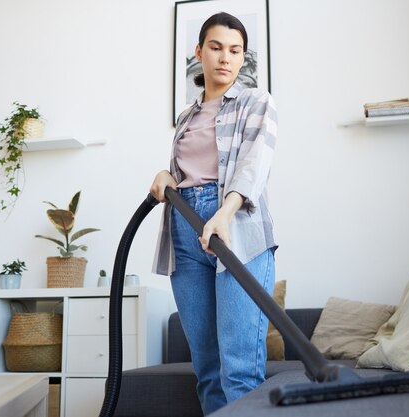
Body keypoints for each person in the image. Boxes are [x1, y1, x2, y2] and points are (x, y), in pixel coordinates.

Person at [150, 12, 278, 415]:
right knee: (207, 367)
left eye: (235, 50)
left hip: (235, 227)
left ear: (243, 58)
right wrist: (164, 174)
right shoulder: (186, 118)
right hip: (185, 233)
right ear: (199, 52)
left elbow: (254, 164)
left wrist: (226, 210)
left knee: (238, 369)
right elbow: (187, 172)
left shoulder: (256, 102)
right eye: (217, 47)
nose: (226, 57)